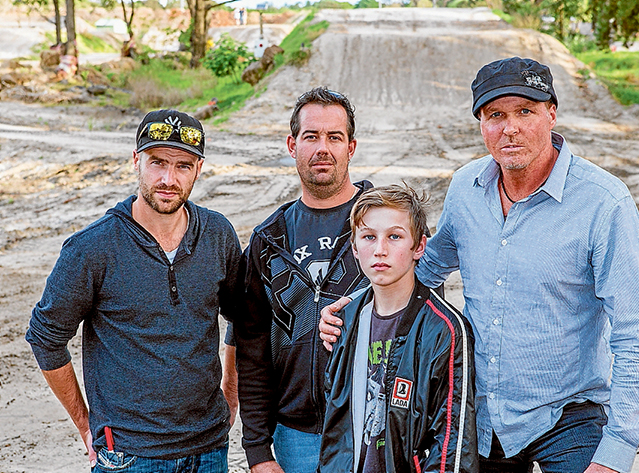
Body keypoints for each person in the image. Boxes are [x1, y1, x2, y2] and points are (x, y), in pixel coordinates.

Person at [319, 57, 639, 473]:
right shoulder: (467, 188)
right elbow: (423, 269)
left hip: (569, 418)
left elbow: (636, 336)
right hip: (484, 417)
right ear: (481, 123)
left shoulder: (604, 204)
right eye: (496, 114)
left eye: (525, 111)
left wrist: (615, 453)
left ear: (551, 114)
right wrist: (355, 310)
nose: (510, 127)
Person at [25, 109, 241, 472]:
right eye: (157, 162)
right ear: (136, 161)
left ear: (199, 169)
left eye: (183, 166)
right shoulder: (92, 248)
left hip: (209, 450)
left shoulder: (218, 235)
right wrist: (85, 423)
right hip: (128, 456)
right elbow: (45, 337)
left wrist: (231, 395)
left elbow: (244, 319)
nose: (168, 178)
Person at [229, 87, 372, 473]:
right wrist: (258, 451)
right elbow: (252, 352)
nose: (322, 148)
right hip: (296, 437)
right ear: (292, 145)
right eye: (311, 136)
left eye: (334, 137)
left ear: (351, 147)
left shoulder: (386, 223)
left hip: (376, 430)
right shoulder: (268, 241)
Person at [319, 184, 478, 473]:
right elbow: (336, 420)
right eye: (369, 237)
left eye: (394, 237)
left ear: (419, 247)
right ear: (354, 248)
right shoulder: (345, 320)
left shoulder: (445, 329)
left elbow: (452, 439)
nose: (380, 250)